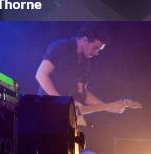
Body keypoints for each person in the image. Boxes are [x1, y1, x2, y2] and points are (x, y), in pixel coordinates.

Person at [35, 24, 130, 153]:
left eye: (99, 50)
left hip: (65, 118)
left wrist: (110, 106)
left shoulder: (85, 63)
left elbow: (82, 94)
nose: (96, 53)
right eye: (95, 47)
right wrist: (62, 103)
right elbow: (41, 74)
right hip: (48, 111)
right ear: (84, 40)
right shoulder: (61, 47)